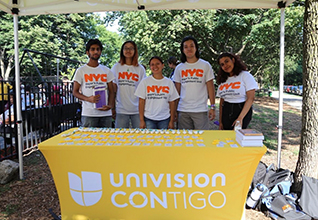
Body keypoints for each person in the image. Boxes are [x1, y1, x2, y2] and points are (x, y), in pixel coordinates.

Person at [173, 36, 216, 130]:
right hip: (183, 110)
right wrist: (174, 110)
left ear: (196, 48)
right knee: (185, 140)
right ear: (183, 50)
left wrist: (212, 107)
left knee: (202, 140)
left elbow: (210, 87)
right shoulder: (179, 68)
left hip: (200, 110)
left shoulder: (205, 65)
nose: (189, 49)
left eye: (192, 46)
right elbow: (177, 90)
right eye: (186, 47)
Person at [73, 39, 115, 128]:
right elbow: (75, 92)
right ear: (87, 52)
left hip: (105, 114)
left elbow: (112, 91)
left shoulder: (107, 70)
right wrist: (88, 99)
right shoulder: (81, 71)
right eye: (92, 49)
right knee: (88, 140)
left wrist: (110, 105)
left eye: (98, 49)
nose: (96, 51)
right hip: (89, 113)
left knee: (106, 140)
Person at [216, 52, 258, 130]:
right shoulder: (223, 80)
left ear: (233, 60)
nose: (225, 65)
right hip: (226, 110)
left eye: (226, 61)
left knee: (237, 136)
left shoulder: (245, 75)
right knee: (226, 137)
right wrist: (220, 122)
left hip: (241, 109)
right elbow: (222, 102)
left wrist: (240, 118)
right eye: (222, 64)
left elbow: (251, 98)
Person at [135, 56, 179, 129]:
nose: (155, 66)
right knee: (150, 140)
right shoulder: (145, 82)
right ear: (150, 67)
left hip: (165, 119)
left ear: (163, 65)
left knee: (164, 140)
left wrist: (171, 121)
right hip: (149, 119)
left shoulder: (169, 82)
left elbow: (172, 102)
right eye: (152, 64)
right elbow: (141, 102)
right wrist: (142, 120)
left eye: (157, 64)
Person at [111, 41, 146, 128]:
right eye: (126, 48)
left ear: (135, 51)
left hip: (137, 110)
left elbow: (143, 91)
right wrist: (112, 107)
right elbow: (113, 89)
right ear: (122, 51)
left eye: (131, 48)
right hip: (121, 109)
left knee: (139, 137)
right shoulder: (116, 67)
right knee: (120, 138)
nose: (128, 50)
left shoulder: (140, 69)